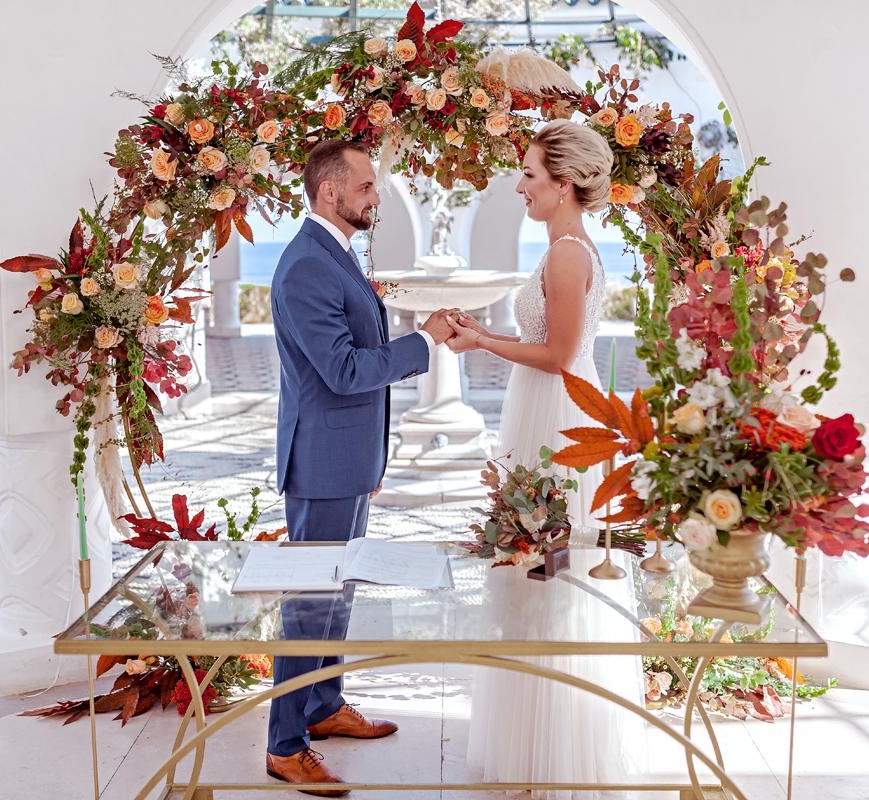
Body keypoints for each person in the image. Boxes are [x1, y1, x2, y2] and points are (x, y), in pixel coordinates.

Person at [447, 119, 647, 798]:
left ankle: (556, 743)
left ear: (564, 185)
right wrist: (487, 334)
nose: (520, 186)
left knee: (548, 570)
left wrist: (482, 343)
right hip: (547, 404)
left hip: (556, 414)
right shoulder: (567, 247)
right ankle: (537, 734)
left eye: (529, 175)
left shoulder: (566, 253)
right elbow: (551, 345)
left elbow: (558, 356)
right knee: (538, 566)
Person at [268, 139, 455, 796]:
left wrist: (371, 455)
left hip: (346, 459)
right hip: (320, 463)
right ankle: (284, 745)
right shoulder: (305, 266)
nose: (376, 197)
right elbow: (344, 370)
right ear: (330, 192)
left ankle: (323, 705)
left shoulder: (332, 253)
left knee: (336, 592)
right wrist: (424, 340)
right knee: (309, 605)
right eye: (367, 186)